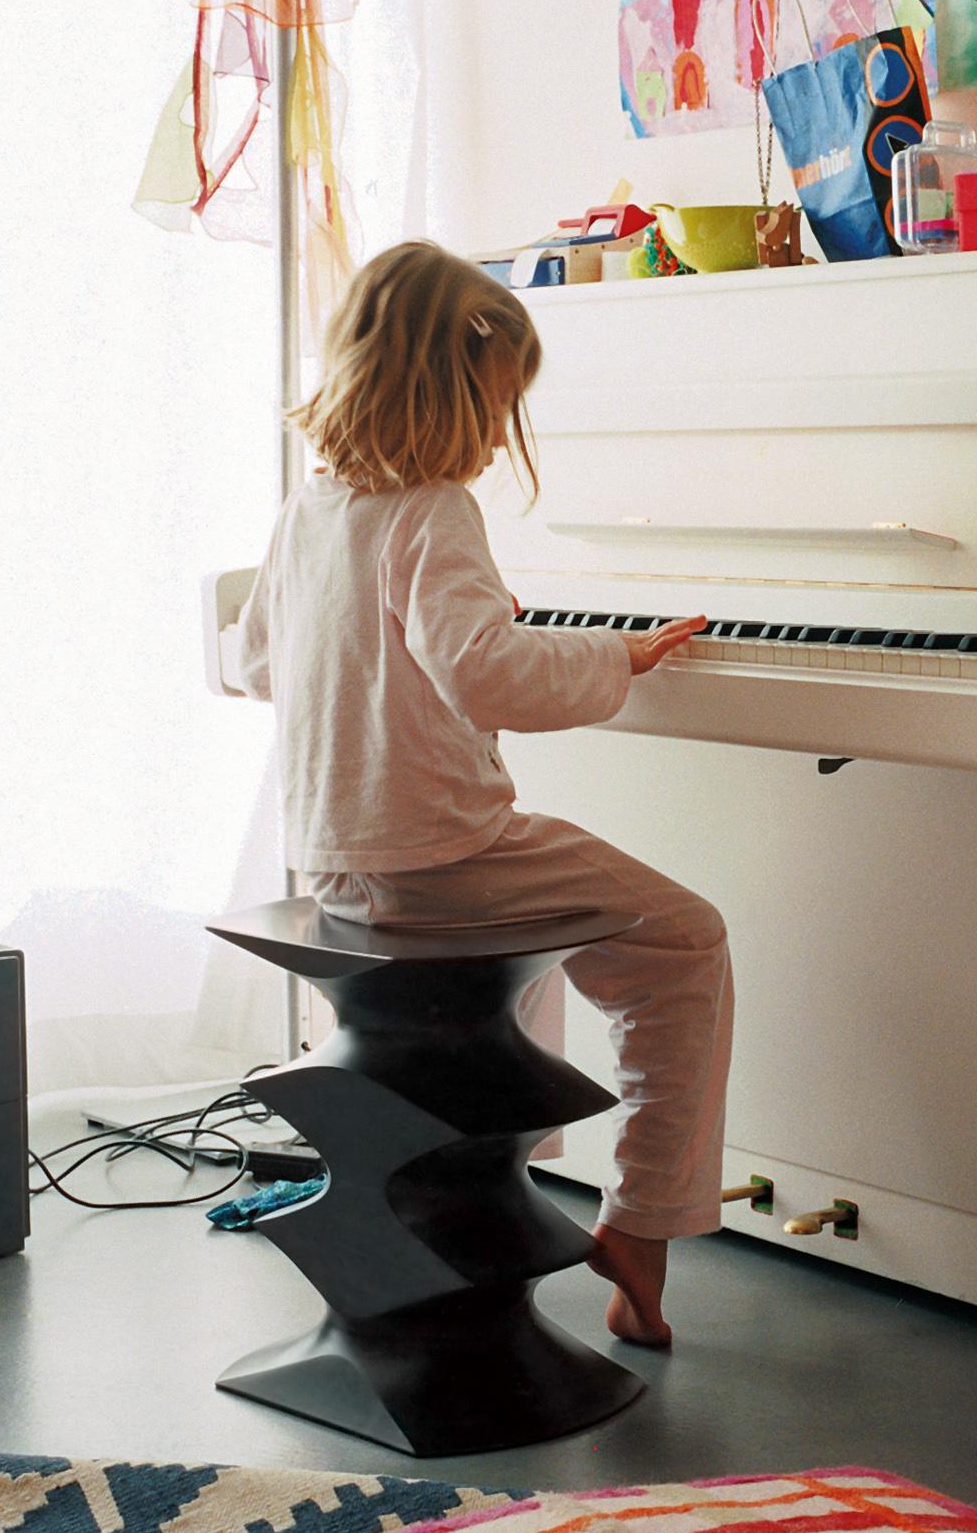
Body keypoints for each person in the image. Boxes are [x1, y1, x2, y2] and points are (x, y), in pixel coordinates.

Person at [229, 243, 723, 1349]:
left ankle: (504, 1199)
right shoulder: (434, 510)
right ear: (449, 389)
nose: (501, 435)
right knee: (684, 943)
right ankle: (642, 1219)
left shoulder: (309, 510)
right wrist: (620, 656)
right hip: (440, 858)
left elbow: (261, 659)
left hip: (338, 865)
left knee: (532, 959)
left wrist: (360, 670)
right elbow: (486, 672)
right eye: (499, 407)